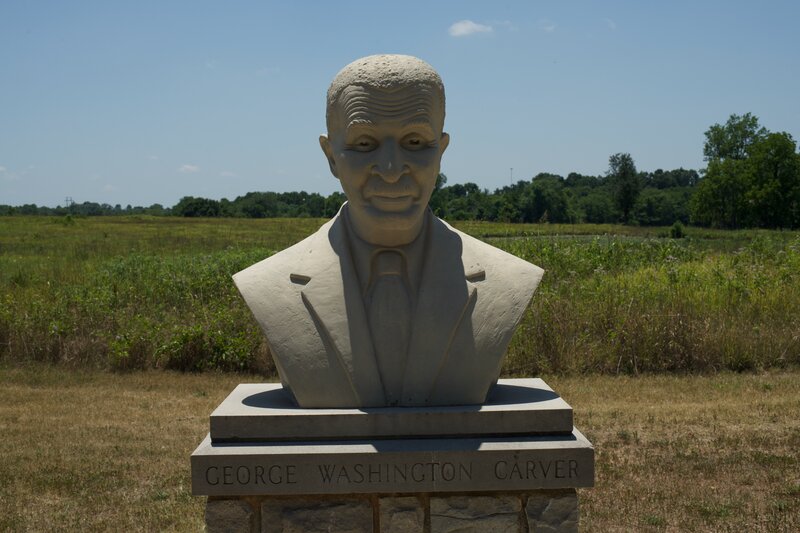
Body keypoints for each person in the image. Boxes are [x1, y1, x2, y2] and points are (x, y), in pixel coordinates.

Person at [234, 55, 543, 407]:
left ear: (440, 151)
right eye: (364, 143)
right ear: (331, 156)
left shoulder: (509, 280)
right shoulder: (268, 284)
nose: (392, 170)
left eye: (415, 142)